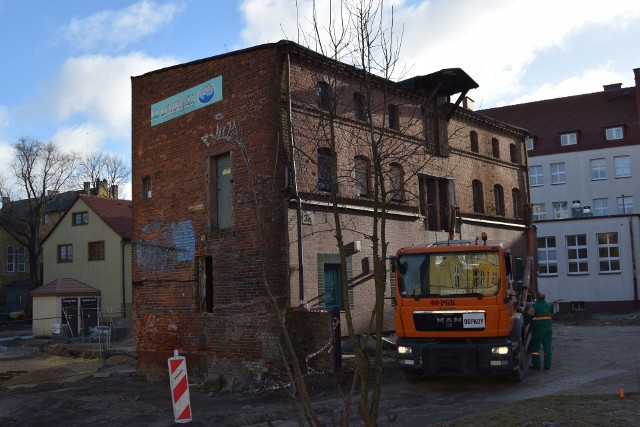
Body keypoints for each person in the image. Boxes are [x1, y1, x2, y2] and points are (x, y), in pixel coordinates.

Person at [526, 291, 553, 370]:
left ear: (537, 297)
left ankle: (536, 365)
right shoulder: (548, 305)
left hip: (539, 329)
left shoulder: (534, 306)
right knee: (547, 348)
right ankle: (547, 366)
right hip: (549, 328)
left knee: (535, 347)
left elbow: (528, 317)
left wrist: (526, 323)